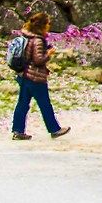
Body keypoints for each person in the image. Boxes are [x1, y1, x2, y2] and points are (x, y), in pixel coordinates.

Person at [9, 12, 68, 141]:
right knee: (45, 104)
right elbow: (38, 60)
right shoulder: (38, 40)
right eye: (48, 23)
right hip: (35, 77)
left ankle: (17, 130)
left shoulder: (27, 36)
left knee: (22, 104)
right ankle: (54, 129)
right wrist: (49, 53)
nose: (49, 26)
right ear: (42, 25)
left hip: (24, 75)